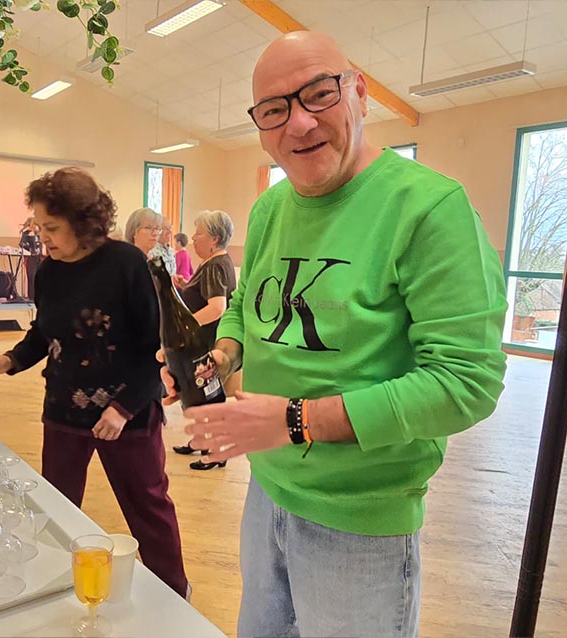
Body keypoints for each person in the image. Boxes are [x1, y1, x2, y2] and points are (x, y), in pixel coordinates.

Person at [160, 32, 507, 637]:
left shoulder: (429, 209)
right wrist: (224, 353)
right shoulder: (271, 208)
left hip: (361, 522)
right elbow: (244, 306)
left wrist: (296, 420)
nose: (298, 123)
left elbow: (466, 383)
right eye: (274, 109)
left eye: (319, 94)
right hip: (268, 489)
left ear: (360, 93)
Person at [0, 167, 189, 599]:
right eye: (39, 226)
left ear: (83, 222)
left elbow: (155, 348)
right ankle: (56, 590)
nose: (42, 236)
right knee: (58, 509)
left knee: (148, 508)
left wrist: (122, 409)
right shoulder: (48, 271)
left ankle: (176, 596)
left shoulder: (127, 264)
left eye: (51, 227)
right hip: (64, 410)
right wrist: (8, 360)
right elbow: (45, 333)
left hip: (128, 412)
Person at [170, 210, 237, 470]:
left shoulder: (215, 265)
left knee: (209, 398)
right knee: (200, 397)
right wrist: (186, 285)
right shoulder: (215, 262)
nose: (193, 238)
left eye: (199, 234)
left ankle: (216, 451)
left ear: (215, 238)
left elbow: (217, 307)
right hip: (205, 342)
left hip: (207, 344)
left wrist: (185, 329)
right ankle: (201, 440)